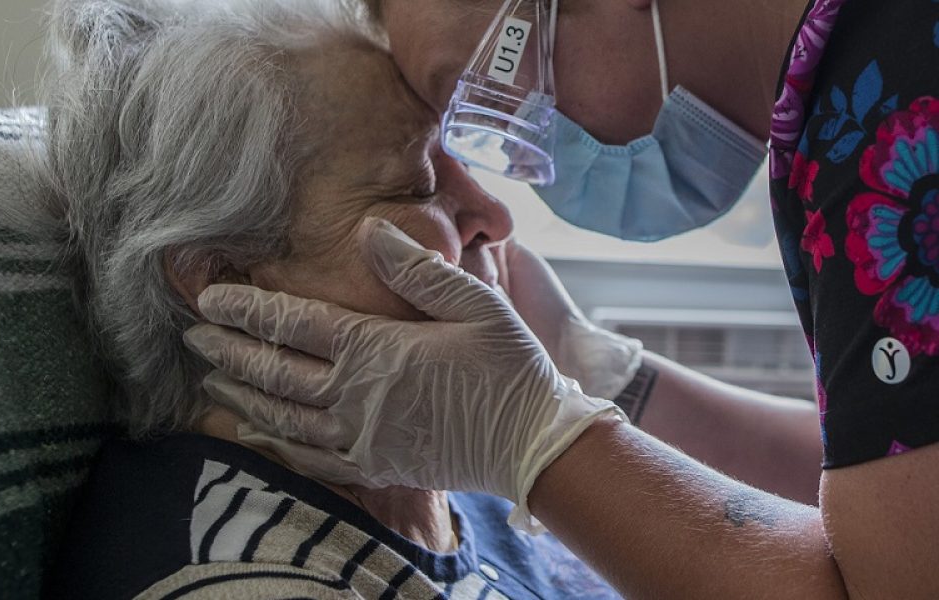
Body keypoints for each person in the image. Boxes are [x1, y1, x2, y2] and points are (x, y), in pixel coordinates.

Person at [186, 0, 939, 598]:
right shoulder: (851, 99)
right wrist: (603, 376)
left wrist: (536, 438)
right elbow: (891, 483)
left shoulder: (904, 115)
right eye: (419, 180)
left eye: (478, 94)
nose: (505, 202)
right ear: (216, 275)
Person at [31, 0, 625, 597]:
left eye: (466, 165)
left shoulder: (451, 464)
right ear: (225, 280)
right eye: (418, 186)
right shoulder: (236, 578)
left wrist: (573, 385)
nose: (496, 218)